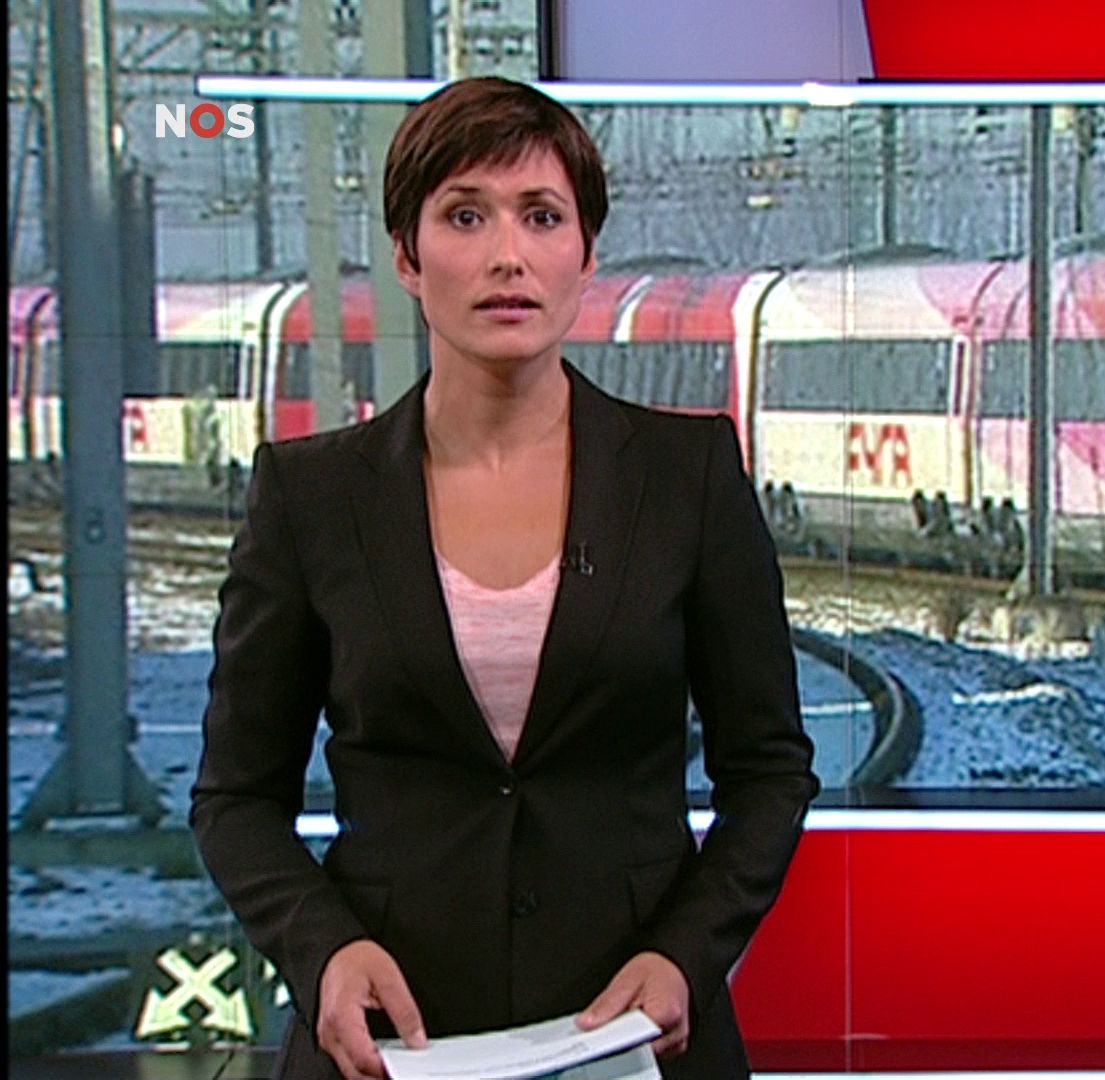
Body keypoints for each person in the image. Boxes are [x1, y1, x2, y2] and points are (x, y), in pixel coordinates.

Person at [191, 76, 820, 1080]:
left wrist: (685, 956)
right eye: (465, 216)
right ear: (407, 256)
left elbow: (770, 770)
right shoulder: (310, 497)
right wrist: (324, 952)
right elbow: (235, 797)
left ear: (587, 252)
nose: (507, 255)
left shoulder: (688, 477)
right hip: (392, 1042)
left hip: (634, 1038)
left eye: (542, 216)